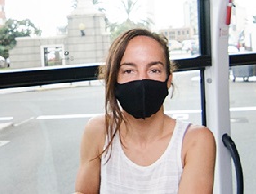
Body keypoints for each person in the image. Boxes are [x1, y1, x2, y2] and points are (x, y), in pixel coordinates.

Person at [74, 28, 215, 194]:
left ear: (168, 80)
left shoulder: (194, 140)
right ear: (113, 80)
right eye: (129, 71)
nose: (142, 80)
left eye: (154, 70)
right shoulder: (98, 131)